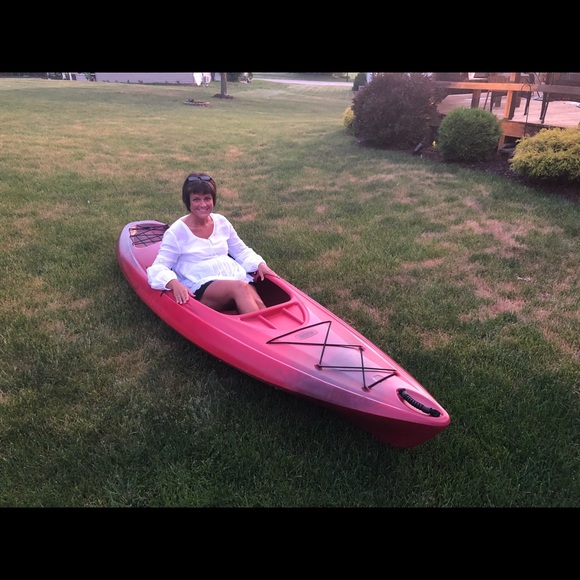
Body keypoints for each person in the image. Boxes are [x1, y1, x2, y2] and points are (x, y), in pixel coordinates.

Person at [147, 172, 277, 314]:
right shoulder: (176, 232)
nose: (203, 204)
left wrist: (260, 264)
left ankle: (267, 325)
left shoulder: (221, 222)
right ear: (188, 201)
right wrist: (173, 284)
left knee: (258, 302)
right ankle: (255, 326)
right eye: (196, 199)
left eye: (207, 199)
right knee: (240, 288)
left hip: (232, 277)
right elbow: (159, 267)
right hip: (201, 285)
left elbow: (240, 250)